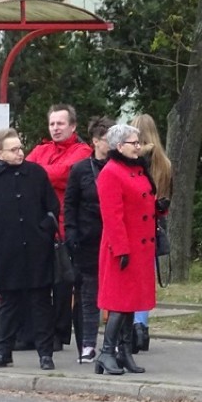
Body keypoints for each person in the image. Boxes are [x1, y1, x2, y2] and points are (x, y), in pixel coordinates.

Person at [0, 129, 60, 371]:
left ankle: (45, 354)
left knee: (41, 302)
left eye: (20, 148)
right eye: (14, 149)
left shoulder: (36, 173)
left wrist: (44, 230)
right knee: (9, 304)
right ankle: (4, 352)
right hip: (6, 249)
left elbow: (52, 207)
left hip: (36, 249)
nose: (20, 152)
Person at [94, 124, 162, 375]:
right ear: (119, 146)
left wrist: (159, 208)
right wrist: (121, 250)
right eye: (134, 143)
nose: (138, 146)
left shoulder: (136, 169)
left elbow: (141, 205)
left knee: (130, 302)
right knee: (119, 303)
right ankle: (106, 352)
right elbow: (112, 216)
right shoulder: (111, 173)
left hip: (139, 247)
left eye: (138, 142)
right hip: (121, 249)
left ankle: (124, 353)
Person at [23, 104, 92, 350]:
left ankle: (58, 334)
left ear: (72, 126)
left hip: (65, 226)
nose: (55, 128)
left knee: (63, 284)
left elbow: (66, 174)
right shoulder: (42, 149)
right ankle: (38, 331)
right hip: (38, 226)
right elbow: (25, 172)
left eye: (60, 123)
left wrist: (38, 174)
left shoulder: (83, 151)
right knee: (39, 282)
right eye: (52, 123)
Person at [64, 117, 114, 362]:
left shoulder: (119, 167)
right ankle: (87, 344)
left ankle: (114, 343)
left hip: (114, 238)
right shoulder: (81, 169)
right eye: (107, 140)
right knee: (88, 294)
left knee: (115, 293)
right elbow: (70, 204)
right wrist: (71, 233)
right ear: (95, 141)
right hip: (88, 238)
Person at [129, 113, 173, 353]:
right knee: (145, 280)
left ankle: (133, 329)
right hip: (154, 225)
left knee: (131, 279)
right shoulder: (164, 164)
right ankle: (141, 328)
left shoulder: (135, 161)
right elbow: (165, 198)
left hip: (135, 224)